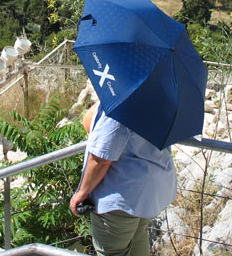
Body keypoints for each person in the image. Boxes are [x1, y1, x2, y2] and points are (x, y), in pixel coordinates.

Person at [70, 103, 177, 256]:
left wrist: (81, 192)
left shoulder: (120, 102)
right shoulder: (157, 96)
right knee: (137, 241)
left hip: (120, 198)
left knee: (111, 251)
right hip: (148, 193)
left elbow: (101, 159)